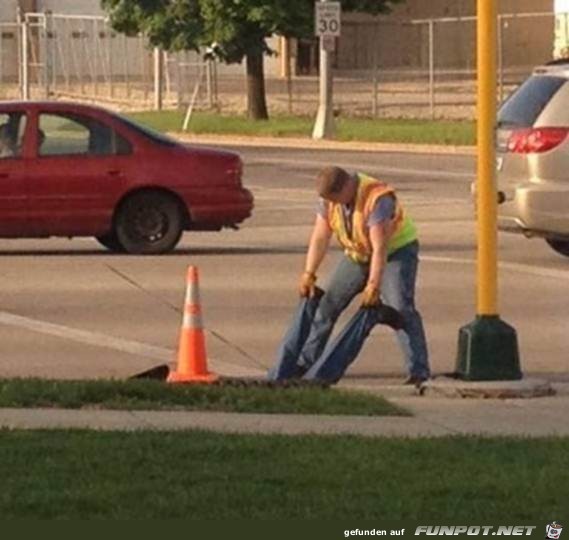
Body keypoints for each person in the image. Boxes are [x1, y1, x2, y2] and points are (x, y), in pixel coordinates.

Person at [268, 166, 430, 385]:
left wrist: (373, 285)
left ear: (346, 187)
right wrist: (309, 273)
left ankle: (419, 371)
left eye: (335, 199)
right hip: (358, 254)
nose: (333, 204)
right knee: (327, 305)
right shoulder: (329, 200)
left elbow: (380, 248)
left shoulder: (377, 199)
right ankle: (306, 364)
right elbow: (320, 237)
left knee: (400, 308)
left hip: (395, 252)